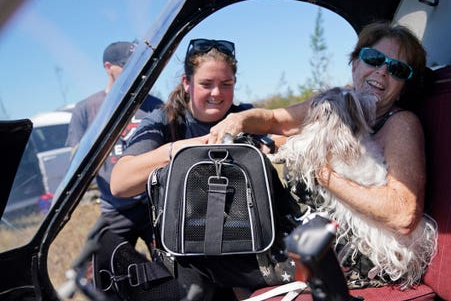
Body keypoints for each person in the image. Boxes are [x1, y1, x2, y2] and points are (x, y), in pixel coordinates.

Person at [206, 20, 430, 289]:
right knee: (212, 249)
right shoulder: (336, 102)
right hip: (318, 234)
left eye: (396, 69)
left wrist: (323, 174)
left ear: (404, 86)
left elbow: (403, 215)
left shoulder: (401, 124)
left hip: (361, 257)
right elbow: (276, 118)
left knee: (209, 262)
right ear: (355, 63)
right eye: (373, 58)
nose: (382, 71)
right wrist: (237, 120)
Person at [111, 38, 299, 300]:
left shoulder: (244, 117)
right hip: (186, 256)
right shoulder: (164, 123)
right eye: (206, 84)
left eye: (226, 84)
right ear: (186, 83)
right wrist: (185, 149)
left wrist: (264, 143)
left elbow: (288, 133)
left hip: (248, 251)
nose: (217, 93)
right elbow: (120, 183)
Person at [66, 41, 163, 252]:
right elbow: (76, 158)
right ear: (108, 67)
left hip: (153, 205)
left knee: (167, 268)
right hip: (114, 209)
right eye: (126, 66)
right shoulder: (86, 109)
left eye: (137, 65)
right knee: (113, 274)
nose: (134, 72)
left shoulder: (153, 105)